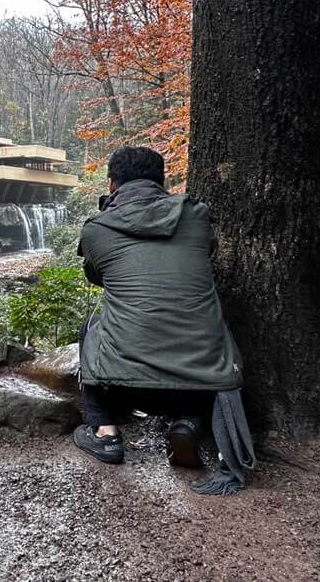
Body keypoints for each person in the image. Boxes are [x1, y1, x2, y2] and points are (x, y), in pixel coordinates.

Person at [74, 146, 252, 489]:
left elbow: (97, 276)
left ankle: (105, 432)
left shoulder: (96, 229)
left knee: (91, 328)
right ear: (163, 181)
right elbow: (204, 257)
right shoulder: (198, 217)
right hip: (199, 382)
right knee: (207, 332)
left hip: (126, 386)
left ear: (112, 185)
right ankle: (187, 423)